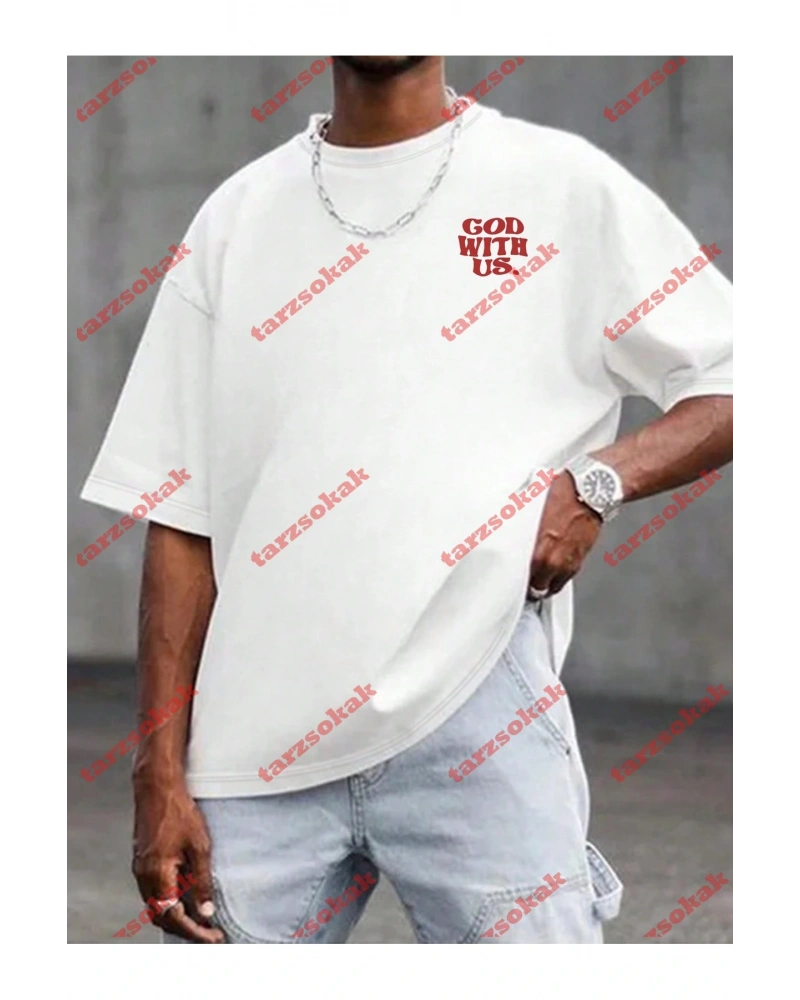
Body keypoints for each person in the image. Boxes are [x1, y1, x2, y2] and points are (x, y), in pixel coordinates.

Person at [81, 55, 735, 944]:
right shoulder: (237, 217)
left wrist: (599, 481)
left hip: (479, 704)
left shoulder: (560, 186)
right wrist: (158, 772)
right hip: (253, 745)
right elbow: (180, 514)